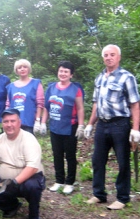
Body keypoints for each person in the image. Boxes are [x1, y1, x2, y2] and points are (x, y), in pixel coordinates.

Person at [84, 44, 140, 210]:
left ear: (119, 57)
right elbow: (96, 103)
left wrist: (135, 128)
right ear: (103, 58)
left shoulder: (127, 77)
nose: (109, 57)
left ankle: (122, 197)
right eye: (106, 55)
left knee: (123, 161)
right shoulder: (99, 78)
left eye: (112, 55)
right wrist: (90, 124)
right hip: (102, 125)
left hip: (120, 125)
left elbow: (135, 105)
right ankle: (99, 194)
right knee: (97, 160)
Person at [0, 108, 45, 219]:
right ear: (2, 124)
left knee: (32, 187)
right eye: (6, 121)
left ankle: (34, 214)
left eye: (12, 121)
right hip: (5, 181)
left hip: (29, 178)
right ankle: (11, 206)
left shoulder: (29, 139)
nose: (9, 125)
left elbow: (32, 167)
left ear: (19, 123)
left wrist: (14, 182)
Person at [41, 61, 85, 194]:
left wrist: (81, 125)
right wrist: (43, 122)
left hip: (70, 126)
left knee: (70, 156)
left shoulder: (75, 89)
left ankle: (70, 182)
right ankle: (59, 180)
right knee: (57, 154)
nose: (63, 73)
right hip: (55, 127)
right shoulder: (51, 88)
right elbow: (46, 107)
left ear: (71, 74)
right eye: (61, 71)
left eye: (66, 71)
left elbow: (80, 108)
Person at [6, 59, 44, 134]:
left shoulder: (36, 83)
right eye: (19, 67)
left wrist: (38, 120)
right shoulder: (11, 86)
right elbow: (8, 104)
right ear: (16, 70)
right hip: (13, 123)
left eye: (25, 67)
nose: (22, 69)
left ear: (29, 69)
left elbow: (40, 103)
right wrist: (7, 119)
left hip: (29, 123)